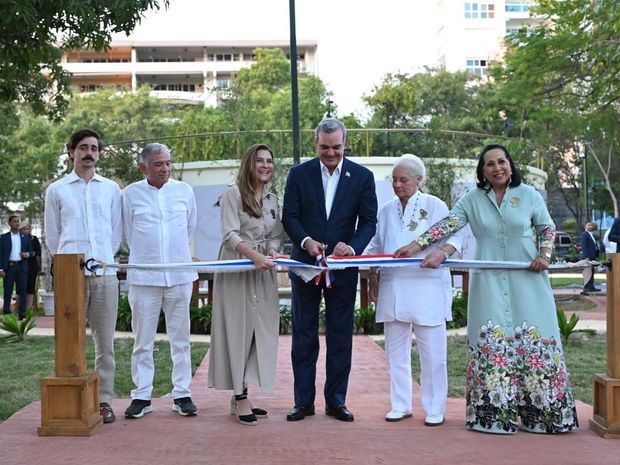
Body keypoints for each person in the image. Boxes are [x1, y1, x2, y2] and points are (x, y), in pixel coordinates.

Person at [395, 144, 578, 434]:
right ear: (482, 171)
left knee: (535, 341)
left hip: (528, 281)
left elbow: (546, 228)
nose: (497, 168)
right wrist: (416, 246)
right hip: (488, 283)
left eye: (501, 162)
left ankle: (542, 416)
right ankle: (493, 417)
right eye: (489, 164)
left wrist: (544, 255)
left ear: (510, 164)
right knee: (492, 342)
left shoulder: (529, 195)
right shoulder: (472, 200)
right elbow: (448, 225)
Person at [282, 118, 378, 422]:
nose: (331, 153)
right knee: (304, 334)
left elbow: (369, 222)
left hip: (342, 269)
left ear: (344, 143)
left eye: (336, 147)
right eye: (324, 147)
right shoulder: (298, 174)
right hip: (305, 266)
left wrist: (351, 247)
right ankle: (303, 402)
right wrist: (307, 241)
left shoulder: (362, 176)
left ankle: (336, 401)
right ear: (316, 144)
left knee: (340, 335)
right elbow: (290, 217)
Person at [366, 154, 462, 426]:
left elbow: (456, 234)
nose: (397, 184)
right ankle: (401, 404)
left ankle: (434, 408)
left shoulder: (435, 205)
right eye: (394, 179)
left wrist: (442, 253)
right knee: (395, 352)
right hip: (393, 287)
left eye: (403, 180)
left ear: (419, 181)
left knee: (433, 354)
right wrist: (372, 273)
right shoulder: (386, 209)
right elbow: (376, 245)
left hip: (426, 287)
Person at [44, 128, 122, 423]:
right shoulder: (57, 190)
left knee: (105, 342)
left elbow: (115, 233)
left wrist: (102, 260)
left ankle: (104, 401)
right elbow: (53, 236)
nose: (89, 152)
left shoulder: (111, 189)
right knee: (69, 340)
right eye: (84, 147)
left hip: (104, 274)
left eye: (94, 148)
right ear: (72, 152)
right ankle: (71, 401)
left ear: (98, 154)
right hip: (70, 277)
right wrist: (68, 266)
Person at [208, 143, 283, 426]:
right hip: (238, 268)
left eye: (269, 161)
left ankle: (245, 392)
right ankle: (239, 396)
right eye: (260, 161)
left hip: (263, 272)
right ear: (249, 164)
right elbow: (229, 234)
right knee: (237, 330)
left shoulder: (274, 200)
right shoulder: (233, 195)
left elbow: (276, 234)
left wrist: (273, 251)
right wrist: (254, 256)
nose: (265, 165)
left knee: (259, 332)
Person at [122, 143, 198, 419]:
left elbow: (189, 229)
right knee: (142, 340)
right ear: (143, 167)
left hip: (178, 276)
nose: (165, 169)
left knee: (181, 338)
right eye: (158, 164)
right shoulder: (130, 194)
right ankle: (142, 395)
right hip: (144, 279)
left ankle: (182, 393)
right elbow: (128, 234)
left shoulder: (184, 191)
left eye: (168, 163)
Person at [0, 215, 34, 320]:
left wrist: (27, 254)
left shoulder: (25, 237)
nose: (17, 223)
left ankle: (22, 315)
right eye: (14, 221)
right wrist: (1, 269)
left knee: (22, 291)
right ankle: (6, 314)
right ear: (9, 224)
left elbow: (32, 252)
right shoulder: (3, 237)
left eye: (18, 221)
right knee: (8, 291)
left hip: (21, 267)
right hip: (9, 267)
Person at [20, 222, 42, 310]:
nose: (26, 230)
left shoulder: (34, 239)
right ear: (20, 230)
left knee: (31, 288)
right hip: (20, 266)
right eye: (24, 229)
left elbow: (38, 252)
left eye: (27, 228)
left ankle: (28, 310)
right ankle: (18, 309)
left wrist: (30, 254)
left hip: (32, 267)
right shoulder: (17, 239)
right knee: (21, 288)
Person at [579, 222, 600, 293]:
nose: (589, 226)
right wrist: (586, 257)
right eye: (588, 225)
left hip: (592, 256)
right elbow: (583, 246)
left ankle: (591, 286)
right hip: (587, 257)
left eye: (591, 225)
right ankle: (587, 287)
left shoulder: (591, 235)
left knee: (592, 272)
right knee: (587, 272)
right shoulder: (584, 234)